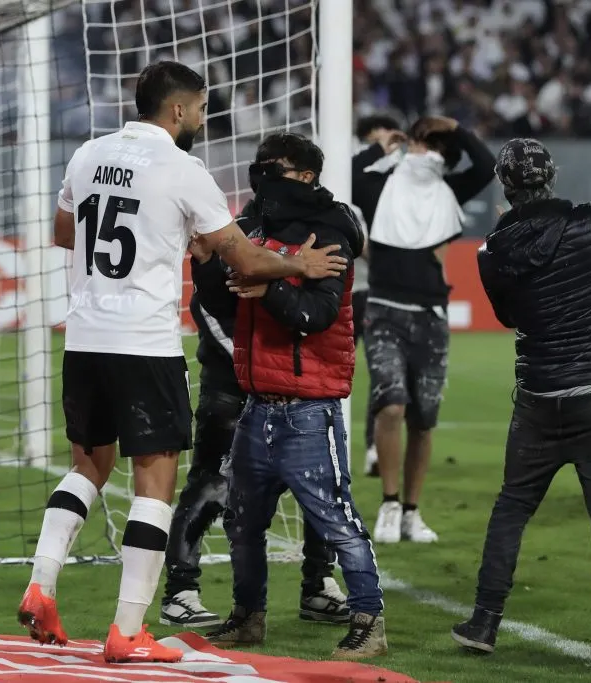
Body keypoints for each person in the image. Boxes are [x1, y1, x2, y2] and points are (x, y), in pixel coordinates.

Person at [16, 61, 346, 663]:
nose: (200, 117)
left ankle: (41, 584)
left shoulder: (88, 154)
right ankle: (128, 629)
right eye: (198, 108)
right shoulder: (183, 168)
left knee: (87, 467)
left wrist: (158, 231)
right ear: (176, 110)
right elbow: (243, 260)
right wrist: (299, 265)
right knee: (155, 479)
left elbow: (66, 232)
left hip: (85, 336)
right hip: (143, 342)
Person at [451, 125, 591, 665]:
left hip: (537, 398)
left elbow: (509, 317)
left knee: (512, 507)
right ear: (550, 176)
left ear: (504, 187)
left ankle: (484, 622)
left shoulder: (492, 251)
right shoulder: (590, 223)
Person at [197, 133, 386, 660]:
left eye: (272, 167)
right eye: (258, 165)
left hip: (309, 408)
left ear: (305, 175)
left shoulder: (331, 229)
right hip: (257, 403)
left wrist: (269, 283)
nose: (260, 173)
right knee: (243, 521)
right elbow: (221, 295)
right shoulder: (253, 224)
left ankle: (369, 620)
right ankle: (248, 617)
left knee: (336, 519)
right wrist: (216, 264)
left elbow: (317, 315)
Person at [160, 187, 355, 628]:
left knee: (317, 486)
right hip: (232, 392)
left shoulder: (287, 251)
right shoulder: (225, 269)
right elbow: (215, 318)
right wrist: (266, 370)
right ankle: (181, 590)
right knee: (212, 484)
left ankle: (318, 586)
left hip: (283, 389)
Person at [352, 115, 495, 544]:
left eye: (437, 150)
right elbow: (353, 174)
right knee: (391, 405)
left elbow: (486, 165)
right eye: (422, 145)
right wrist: (387, 147)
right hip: (384, 310)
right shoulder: (381, 188)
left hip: (432, 313)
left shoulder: (446, 192)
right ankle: (390, 503)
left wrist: (457, 128)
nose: (427, 154)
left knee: (423, 420)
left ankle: (413, 512)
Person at [353, 114, 405, 477]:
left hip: (380, 291)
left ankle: (374, 446)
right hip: (346, 289)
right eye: (378, 141)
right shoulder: (351, 182)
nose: (388, 149)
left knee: (382, 370)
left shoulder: (396, 187)